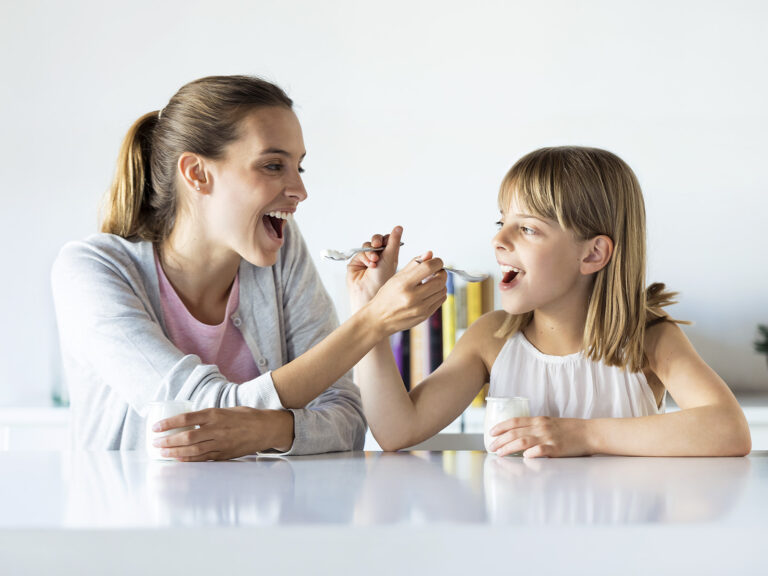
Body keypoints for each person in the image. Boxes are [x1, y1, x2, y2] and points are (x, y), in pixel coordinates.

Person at [51, 75, 446, 460]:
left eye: (299, 167)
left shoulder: (281, 252)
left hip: (259, 521)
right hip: (132, 523)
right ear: (197, 174)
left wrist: (266, 430)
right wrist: (371, 321)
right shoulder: (92, 270)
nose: (300, 191)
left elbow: (346, 415)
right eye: (273, 166)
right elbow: (197, 415)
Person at [351, 146, 751, 457]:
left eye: (526, 228)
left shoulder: (647, 339)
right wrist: (370, 311)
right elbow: (396, 431)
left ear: (592, 254)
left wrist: (582, 434)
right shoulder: (490, 339)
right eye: (501, 222)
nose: (498, 240)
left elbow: (728, 429)